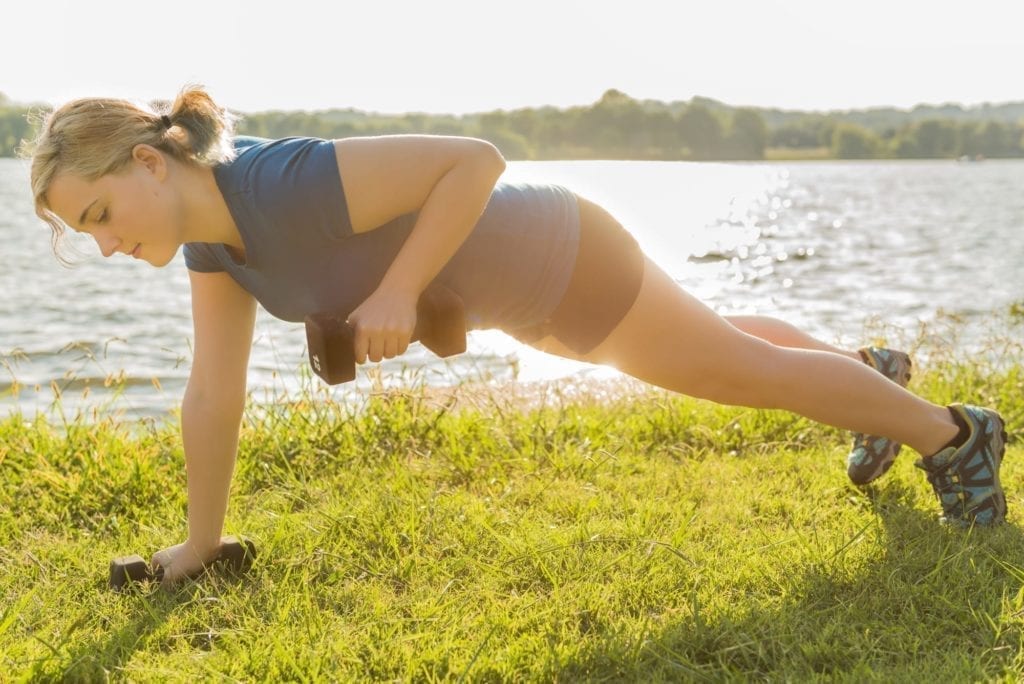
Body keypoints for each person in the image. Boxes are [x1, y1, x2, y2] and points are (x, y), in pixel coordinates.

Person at [24, 86, 1008, 585]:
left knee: (733, 369)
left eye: (100, 214)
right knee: (717, 342)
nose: (105, 246)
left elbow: (472, 160)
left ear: (151, 163)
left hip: (558, 251)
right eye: (85, 235)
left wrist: (399, 292)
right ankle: (868, 380)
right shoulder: (215, 250)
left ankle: (952, 436)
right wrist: (201, 543)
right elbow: (211, 393)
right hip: (531, 295)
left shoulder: (280, 184)